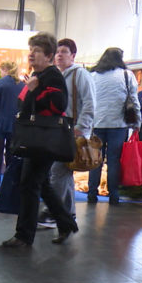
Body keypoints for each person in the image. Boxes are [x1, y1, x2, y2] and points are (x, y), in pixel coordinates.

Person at [2, 33, 79, 248]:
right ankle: (65, 223)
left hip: (42, 140)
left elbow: (59, 104)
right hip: (38, 140)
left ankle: (24, 236)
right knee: (41, 184)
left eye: (36, 51)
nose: (31, 54)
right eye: (31, 50)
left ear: (48, 55)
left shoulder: (51, 76)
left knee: (29, 185)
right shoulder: (39, 74)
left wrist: (35, 90)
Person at [36, 38, 95, 229]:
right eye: (57, 52)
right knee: (64, 173)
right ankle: (67, 214)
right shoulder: (55, 75)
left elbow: (90, 103)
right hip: (58, 131)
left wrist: (82, 127)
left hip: (72, 131)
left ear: (73, 55)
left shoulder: (80, 75)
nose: (59, 55)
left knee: (57, 171)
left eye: (64, 51)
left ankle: (54, 212)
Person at [86, 47, 140, 206]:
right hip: (118, 124)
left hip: (97, 123)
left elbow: (87, 100)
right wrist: (137, 122)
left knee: (95, 160)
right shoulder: (126, 75)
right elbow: (133, 100)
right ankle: (114, 196)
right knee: (114, 160)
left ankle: (91, 194)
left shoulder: (92, 75)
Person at [0, 60, 25, 185]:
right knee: (11, 152)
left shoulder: (0, 83)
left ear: (5, 70)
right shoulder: (22, 85)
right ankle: (9, 179)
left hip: (0, 122)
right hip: (15, 123)